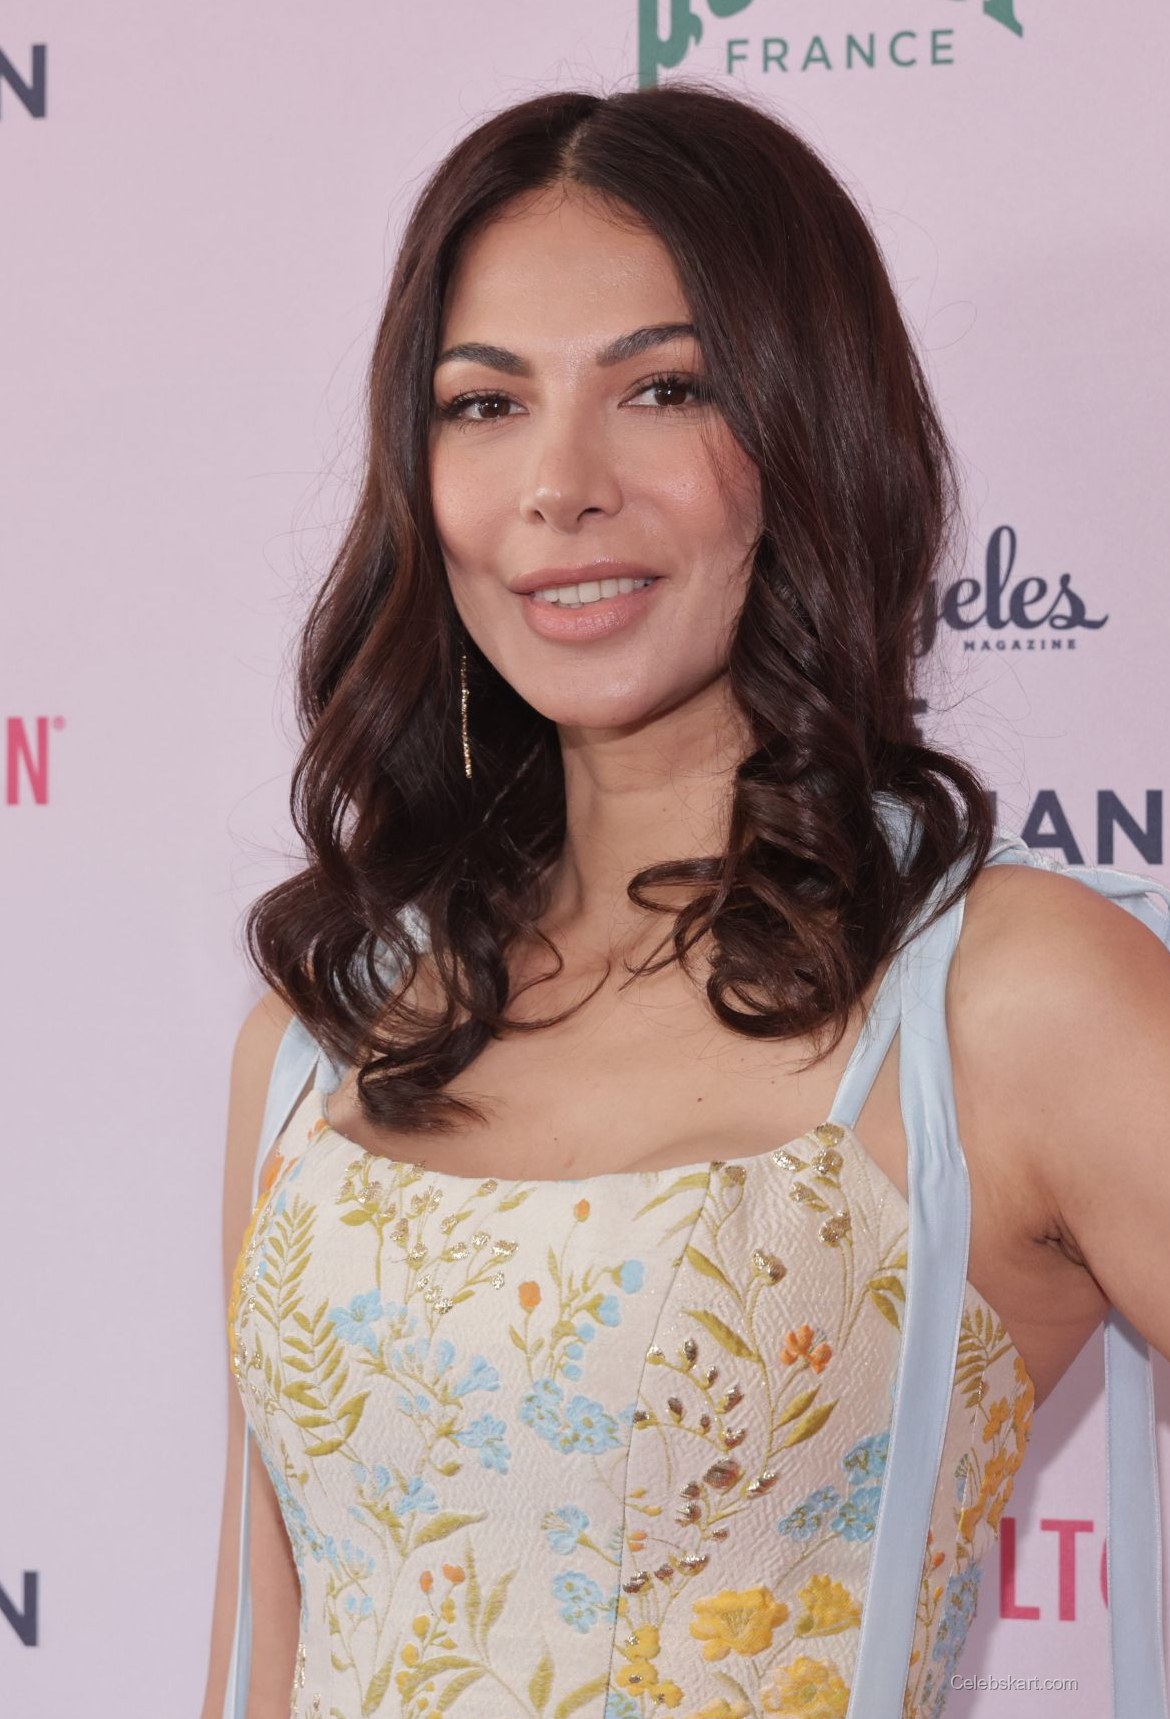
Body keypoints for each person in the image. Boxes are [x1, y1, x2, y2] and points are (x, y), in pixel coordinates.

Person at [199, 83, 1170, 1719]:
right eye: (483, 404)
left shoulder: (1007, 999)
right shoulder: (327, 1038)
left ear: (806, 432)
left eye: (662, 388)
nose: (560, 484)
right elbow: (256, 1664)